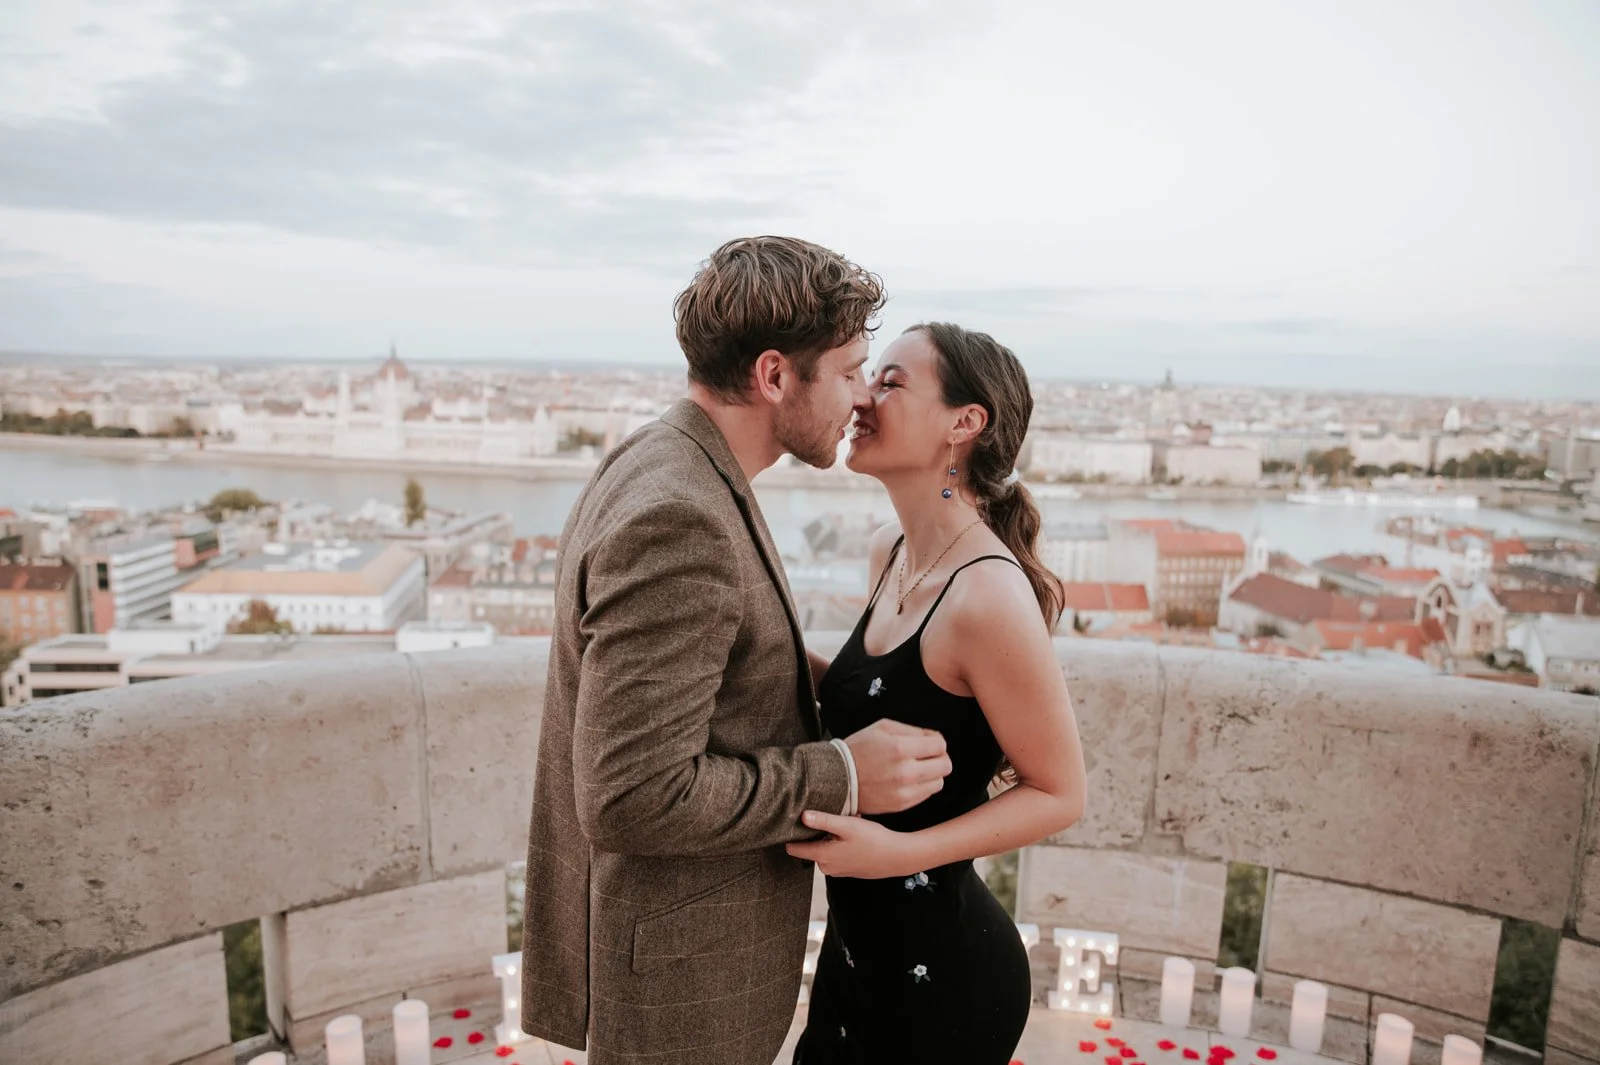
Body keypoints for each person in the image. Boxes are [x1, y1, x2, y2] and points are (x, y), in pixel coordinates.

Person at [520, 237, 955, 1065]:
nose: (861, 397)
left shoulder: (663, 460)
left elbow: (728, 672)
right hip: (680, 986)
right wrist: (848, 773)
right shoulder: (680, 516)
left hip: (670, 957)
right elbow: (629, 793)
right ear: (773, 376)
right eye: (850, 369)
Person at [788, 322, 1087, 1064]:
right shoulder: (889, 554)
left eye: (889, 382)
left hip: (943, 980)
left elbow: (1060, 792)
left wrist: (895, 853)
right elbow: (873, 699)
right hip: (856, 959)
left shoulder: (986, 594)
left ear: (965, 423)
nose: (862, 397)